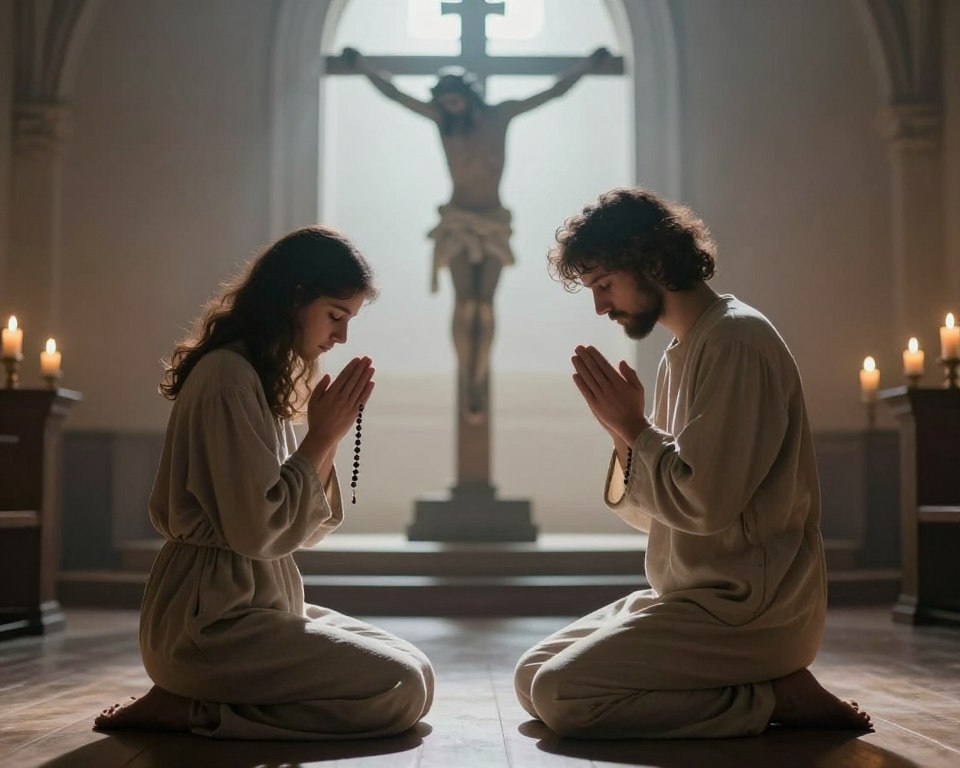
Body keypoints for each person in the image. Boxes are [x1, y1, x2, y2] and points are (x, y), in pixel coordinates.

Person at [513, 187, 873, 738]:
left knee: (562, 695)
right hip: (688, 599)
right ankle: (757, 689)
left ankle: (769, 696)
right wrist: (621, 432)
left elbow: (705, 505)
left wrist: (635, 429)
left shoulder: (737, 341)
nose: (600, 307)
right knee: (531, 677)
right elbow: (655, 514)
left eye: (604, 284)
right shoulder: (681, 352)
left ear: (654, 262)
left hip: (747, 610)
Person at [94, 226, 433, 739]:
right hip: (209, 624)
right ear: (295, 298)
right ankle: (195, 709)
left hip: (260, 604)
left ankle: (200, 699)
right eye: (335, 316)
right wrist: (321, 437)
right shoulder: (226, 378)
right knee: (400, 687)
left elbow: (300, 530)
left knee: (418, 670)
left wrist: (329, 437)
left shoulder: (256, 376)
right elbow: (256, 531)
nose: (341, 337)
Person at [342, 46, 610, 418]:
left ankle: (478, 374)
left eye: (455, 101)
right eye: (445, 103)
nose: (452, 108)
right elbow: (395, 94)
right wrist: (361, 66)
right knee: (465, 303)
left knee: (484, 305)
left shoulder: (500, 115)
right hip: (457, 221)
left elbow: (553, 91)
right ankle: (467, 377)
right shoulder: (442, 121)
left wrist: (589, 65)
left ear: (468, 95)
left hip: (494, 222)